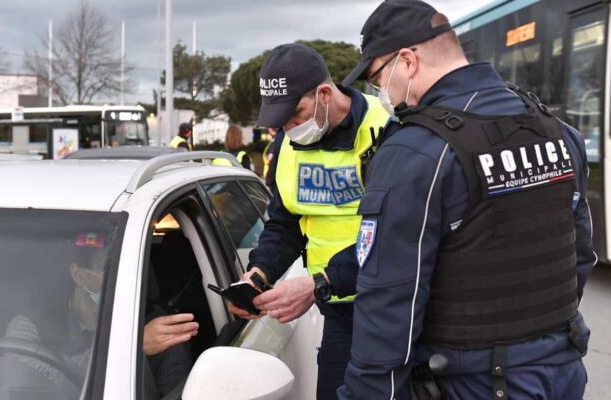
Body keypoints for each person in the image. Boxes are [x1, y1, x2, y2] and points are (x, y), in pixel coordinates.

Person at [337, 1, 597, 399]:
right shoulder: (559, 131)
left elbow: (391, 302)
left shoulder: (416, 150)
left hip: (475, 381)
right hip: (562, 369)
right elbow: (578, 253)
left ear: (407, 61)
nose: (380, 93)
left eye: (377, 78)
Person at [227, 43, 389, 400]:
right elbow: (284, 223)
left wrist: (320, 283)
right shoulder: (287, 145)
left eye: (296, 113)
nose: (289, 127)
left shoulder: (386, 129)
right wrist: (258, 274)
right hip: (338, 310)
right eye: (281, 119)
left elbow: (396, 233)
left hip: (395, 306)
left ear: (325, 93)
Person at [5, 232, 199, 397]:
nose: (124, 277)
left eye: (129, 268)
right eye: (110, 269)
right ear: (79, 275)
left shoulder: (158, 333)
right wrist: (132, 346)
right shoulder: (31, 324)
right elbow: (33, 383)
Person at [262, 127, 285, 193]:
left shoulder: (277, 139)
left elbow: (273, 160)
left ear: (271, 129)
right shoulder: (275, 140)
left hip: (275, 179)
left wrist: (269, 181)